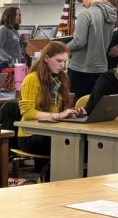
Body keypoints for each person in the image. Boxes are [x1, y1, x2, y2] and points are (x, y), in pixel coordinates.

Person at [18, 40, 79, 181]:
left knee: (76, 142)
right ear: (46, 58)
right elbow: (27, 113)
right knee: (66, 143)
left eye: (65, 61)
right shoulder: (31, 79)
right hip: (30, 135)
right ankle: (47, 178)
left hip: (52, 130)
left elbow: (59, 109)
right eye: (59, 61)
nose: (63, 66)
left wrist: (71, 113)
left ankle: (62, 179)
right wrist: (59, 115)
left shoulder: (60, 79)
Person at [65, 0, 117, 100]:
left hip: (81, 68)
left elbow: (79, 42)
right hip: (101, 68)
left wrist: (63, 47)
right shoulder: (111, 16)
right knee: (92, 106)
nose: (83, 5)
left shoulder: (86, 14)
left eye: (82, 0)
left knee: (74, 106)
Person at [0, 6, 23, 71]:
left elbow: (17, 49)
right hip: (3, 64)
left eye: (19, 14)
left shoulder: (14, 31)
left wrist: (25, 41)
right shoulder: (3, 29)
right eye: (16, 14)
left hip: (14, 63)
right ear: (10, 16)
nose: (18, 17)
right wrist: (9, 59)